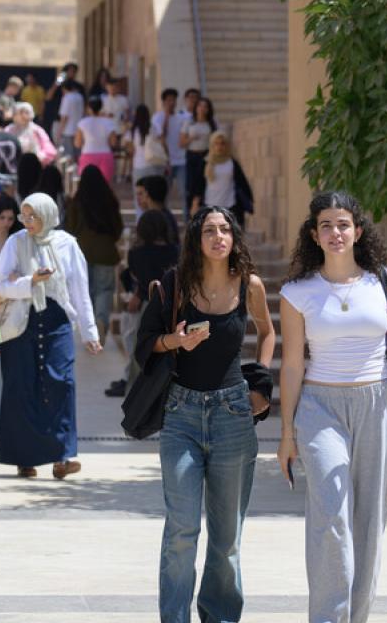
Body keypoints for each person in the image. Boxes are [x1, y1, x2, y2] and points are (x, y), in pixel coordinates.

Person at [277, 191, 387, 623]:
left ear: (358, 231)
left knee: (367, 526)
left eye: (343, 224)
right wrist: (287, 433)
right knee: (331, 517)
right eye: (326, 225)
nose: (336, 232)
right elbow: (291, 366)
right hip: (320, 407)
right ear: (314, 235)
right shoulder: (297, 292)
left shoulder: (385, 281)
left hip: (378, 404)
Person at [132, 205, 273, 623]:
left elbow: (268, 331)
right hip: (182, 413)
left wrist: (261, 387)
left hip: (233, 414)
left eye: (225, 229)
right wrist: (174, 341)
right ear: (197, 239)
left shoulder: (250, 286)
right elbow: (145, 343)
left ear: (233, 238)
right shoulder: (176, 285)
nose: (218, 236)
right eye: (209, 230)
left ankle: (220, 616)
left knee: (227, 538)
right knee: (181, 529)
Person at [0, 192, 102, 479]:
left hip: (57, 321)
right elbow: (1, 285)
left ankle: (62, 456)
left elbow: (80, 291)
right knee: (21, 385)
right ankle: (23, 458)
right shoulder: (15, 242)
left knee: (61, 383)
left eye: (33, 216)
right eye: (24, 216)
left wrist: (90, 332)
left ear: (48, 215)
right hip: (22, 322)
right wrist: (32, 282)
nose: (28, 222)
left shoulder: (67, 245)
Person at [106, 204, 181, 399]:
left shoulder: (136, 253)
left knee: (140, 350)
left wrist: (138, 293)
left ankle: (135, 392)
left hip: (148, 306)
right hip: (173, 307)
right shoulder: (176, 251)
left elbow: (142, 279)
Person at [67, 165, 123, 343]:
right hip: (105, 252)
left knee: (86, 291)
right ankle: (101, 320)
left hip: (82, 252)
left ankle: (90, 327)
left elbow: (69, 227)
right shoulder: (109, 199)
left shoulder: (77, 201)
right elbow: (118, 227)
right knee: (104, 290)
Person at [195, 132, 254, 231]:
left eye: (222, 143)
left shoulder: (232, 163)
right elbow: (198, 184)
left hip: (230, 205)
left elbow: (242, 183)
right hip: (209, 205)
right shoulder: (206, 162)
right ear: (212, 145)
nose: (219, 146)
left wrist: (248, 200)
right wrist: (195, 204)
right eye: (216, 143)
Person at [180, 95, 216, 211]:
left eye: (205, 106)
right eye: (200, 106)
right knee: (190, 187)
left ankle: (203, 213)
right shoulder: (189, 122)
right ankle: (189, 215)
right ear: (196, 108)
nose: (202, 109)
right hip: (192, 156)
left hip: (206, 156)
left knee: (203, 187)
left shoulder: (211, 124)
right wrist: (191, 138)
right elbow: (181, 143)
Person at [74, 96, 119, 179]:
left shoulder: (82, 123)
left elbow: (77, 143)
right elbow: (113, 143)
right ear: (101, 107)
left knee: (87, 185)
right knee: (105, 185)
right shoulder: (109, 122)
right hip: (105, 155)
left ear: (88, 108)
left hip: (87, 154)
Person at [128, 103, 169, 184]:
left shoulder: (132, 130)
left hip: (139, 165)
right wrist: (167, 160)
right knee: (153, 193)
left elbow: (131, 151)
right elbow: (163, 143)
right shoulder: (153, 128)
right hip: (154, 164)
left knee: (139, 194)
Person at [56, 79, 87, 156]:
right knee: (78, 153)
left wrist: (59, 131)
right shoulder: (80, 97)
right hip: (79, 129)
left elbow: (64, 116)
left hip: (68, 130)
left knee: (69, 155)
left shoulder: (67, 98)